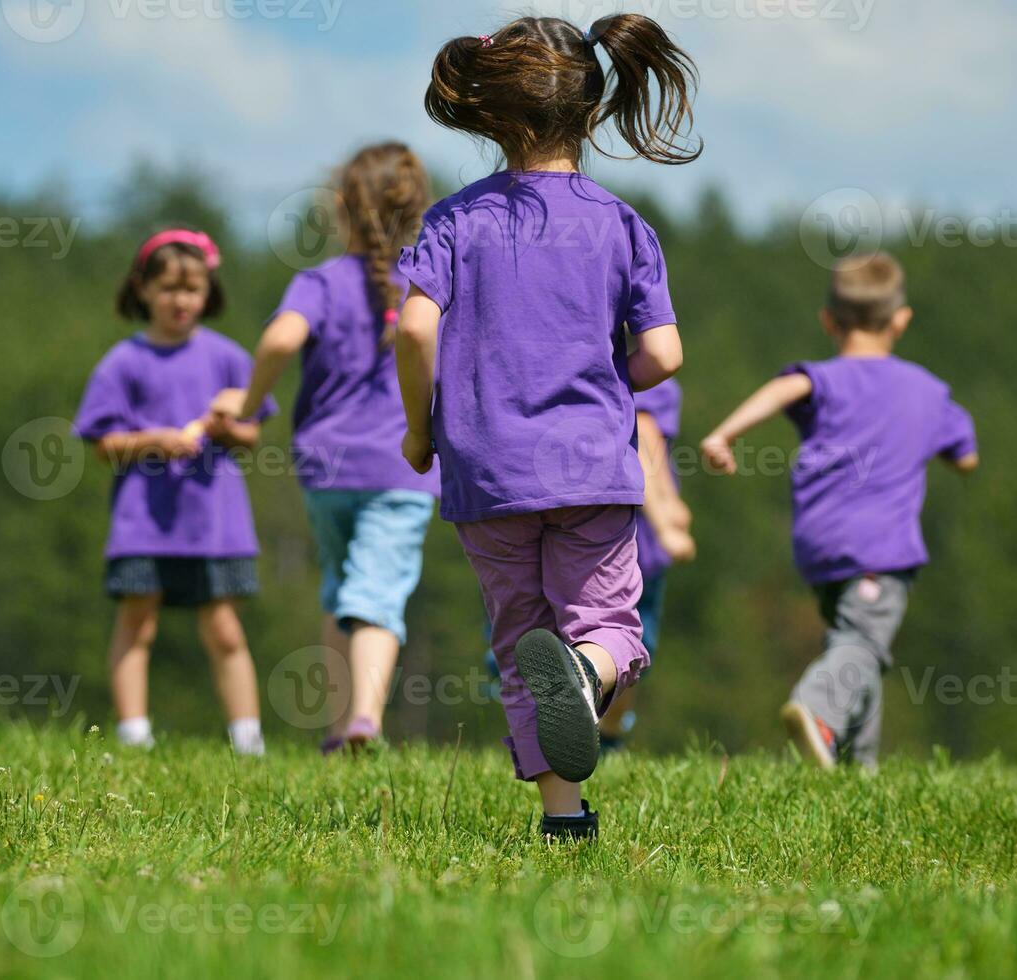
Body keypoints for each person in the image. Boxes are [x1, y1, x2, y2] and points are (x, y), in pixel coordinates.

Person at [394, 12, 699, 840]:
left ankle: (564, 822)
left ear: (493, 115)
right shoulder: (619, 223)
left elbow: (415, 329)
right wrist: (607, 376)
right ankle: (586, 669)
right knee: (608, 633)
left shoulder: (456, 220)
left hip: (485, 470)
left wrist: (421, 428)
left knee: (520, 642)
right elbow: (664, 356)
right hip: (588, 464)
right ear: (591, 110)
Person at [701, 252, 978, 770]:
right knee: (861, 644)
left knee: (858, 646)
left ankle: (857, 770)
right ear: (901, 319)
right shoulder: (927, 391)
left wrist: (724, 434)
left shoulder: (823, 379)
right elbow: (967, 458)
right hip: (880, 550)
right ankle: (819, 711)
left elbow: (786, 388)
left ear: (829, 321)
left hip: (818, 543)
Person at [213, 143, 439, 753]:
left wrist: (249, 401)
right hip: (402, 466)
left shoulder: (319, 282)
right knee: (378, 595)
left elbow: (281, 339)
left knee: (342, 590)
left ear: (340, 209)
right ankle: (365, 718)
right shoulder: (427, 284)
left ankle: (338, 731)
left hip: (326, 468)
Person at [74, 229, 276, 757]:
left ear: (208, 293)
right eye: (168, 288)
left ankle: (247, 741)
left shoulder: (229, 358)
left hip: (213, 523)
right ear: (142, 290)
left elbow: (252, 433)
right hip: (144, 521)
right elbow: (103, 443)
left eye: (193, 289)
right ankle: (134, 736)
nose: (181, 300)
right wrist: (154, 442)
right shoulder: (123, 362)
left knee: (226, 630)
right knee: (137, 624)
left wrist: (225, 429)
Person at [598, 379, 696, 753]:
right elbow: (644, 445)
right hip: (634, 544)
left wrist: (672, 504)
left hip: (609, 535)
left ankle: (605, 732)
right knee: (631, 648)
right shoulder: (652, 371)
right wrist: (665, 521)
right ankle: (604, 737)